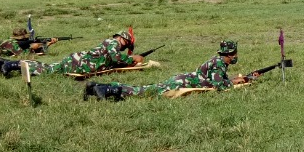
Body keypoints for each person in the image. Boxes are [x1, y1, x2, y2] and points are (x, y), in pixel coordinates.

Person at [86, 40, 253, 100]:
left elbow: (215, 80)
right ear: (230, 54)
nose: (236, 56)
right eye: (235, 53)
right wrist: (233, 84)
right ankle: (106, 88)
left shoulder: (219, 62)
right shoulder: (219, 64)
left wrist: (233, 80)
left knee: (146, 90)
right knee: (145, 92)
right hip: (180, 83)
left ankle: (100, 87)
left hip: (182, 79)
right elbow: (219, 86)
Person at [0, 29, 143, 78]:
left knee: (47, 67)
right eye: (127, 45)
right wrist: (132, 59)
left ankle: (6, 62)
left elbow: (114, 60)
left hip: (77, 61)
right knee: (47, 70)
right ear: (123, 40)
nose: (125, 48)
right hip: (79, 64)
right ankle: (11, 65)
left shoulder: (110, 43)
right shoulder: (114, 43)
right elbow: (115, 57)